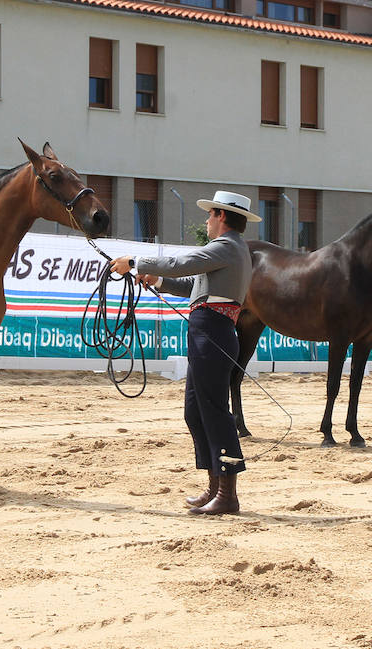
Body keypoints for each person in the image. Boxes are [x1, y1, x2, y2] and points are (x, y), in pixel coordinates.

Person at [110, 190, 260, 514]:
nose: (206, 220)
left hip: (214, 335)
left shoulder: (226, 246)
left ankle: (228, 494)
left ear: (221, 216)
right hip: (208, 334)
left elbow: (183, 263)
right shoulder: (230, 249)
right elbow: (193, 284)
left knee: (216, 414)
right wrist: (160, 280)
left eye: (210, 215)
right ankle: (215, 485)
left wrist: (135, 262)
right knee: (196, 412)